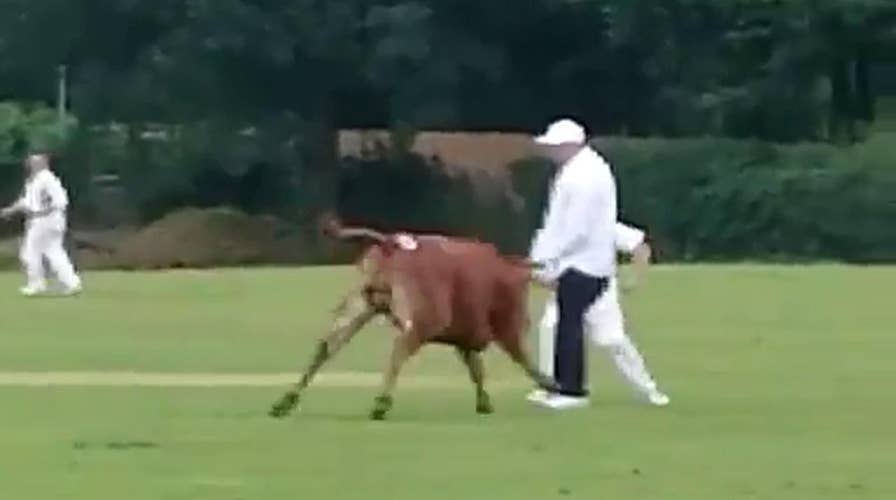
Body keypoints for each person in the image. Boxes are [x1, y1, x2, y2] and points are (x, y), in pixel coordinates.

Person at [528, 221, 670, 407]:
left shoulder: (602, 224)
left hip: (601, 295)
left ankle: (649, 389)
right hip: (564, 293)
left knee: (613, 340)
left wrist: (635, 278)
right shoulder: (548, 233)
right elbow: (535, 272)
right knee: (550, 328)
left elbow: (640, 246)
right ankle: (553, 388)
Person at [528, 118, 616, 410]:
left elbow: (576, 229)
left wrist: (545, 258)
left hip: (586, 263)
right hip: (576, 260)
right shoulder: (576, 170)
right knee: (565, 322)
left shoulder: (586, 176)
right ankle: (560, 386)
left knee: (570, 323)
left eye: (555, 147)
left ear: (570, 145)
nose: (551, 153)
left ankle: (572, 391)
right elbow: (556, 222)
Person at [0, 153, 82, 296]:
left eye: (33, 162)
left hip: (44, 220)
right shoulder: (36, 180)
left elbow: (60, 201)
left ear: (42, 163)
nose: (30, 165)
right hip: (48, 220)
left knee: (30, 252)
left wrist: (42, 213)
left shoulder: (46, 179)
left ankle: (36, 284)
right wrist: (10, 211)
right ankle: (72, 283)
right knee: (54, 252)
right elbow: (27, 202)